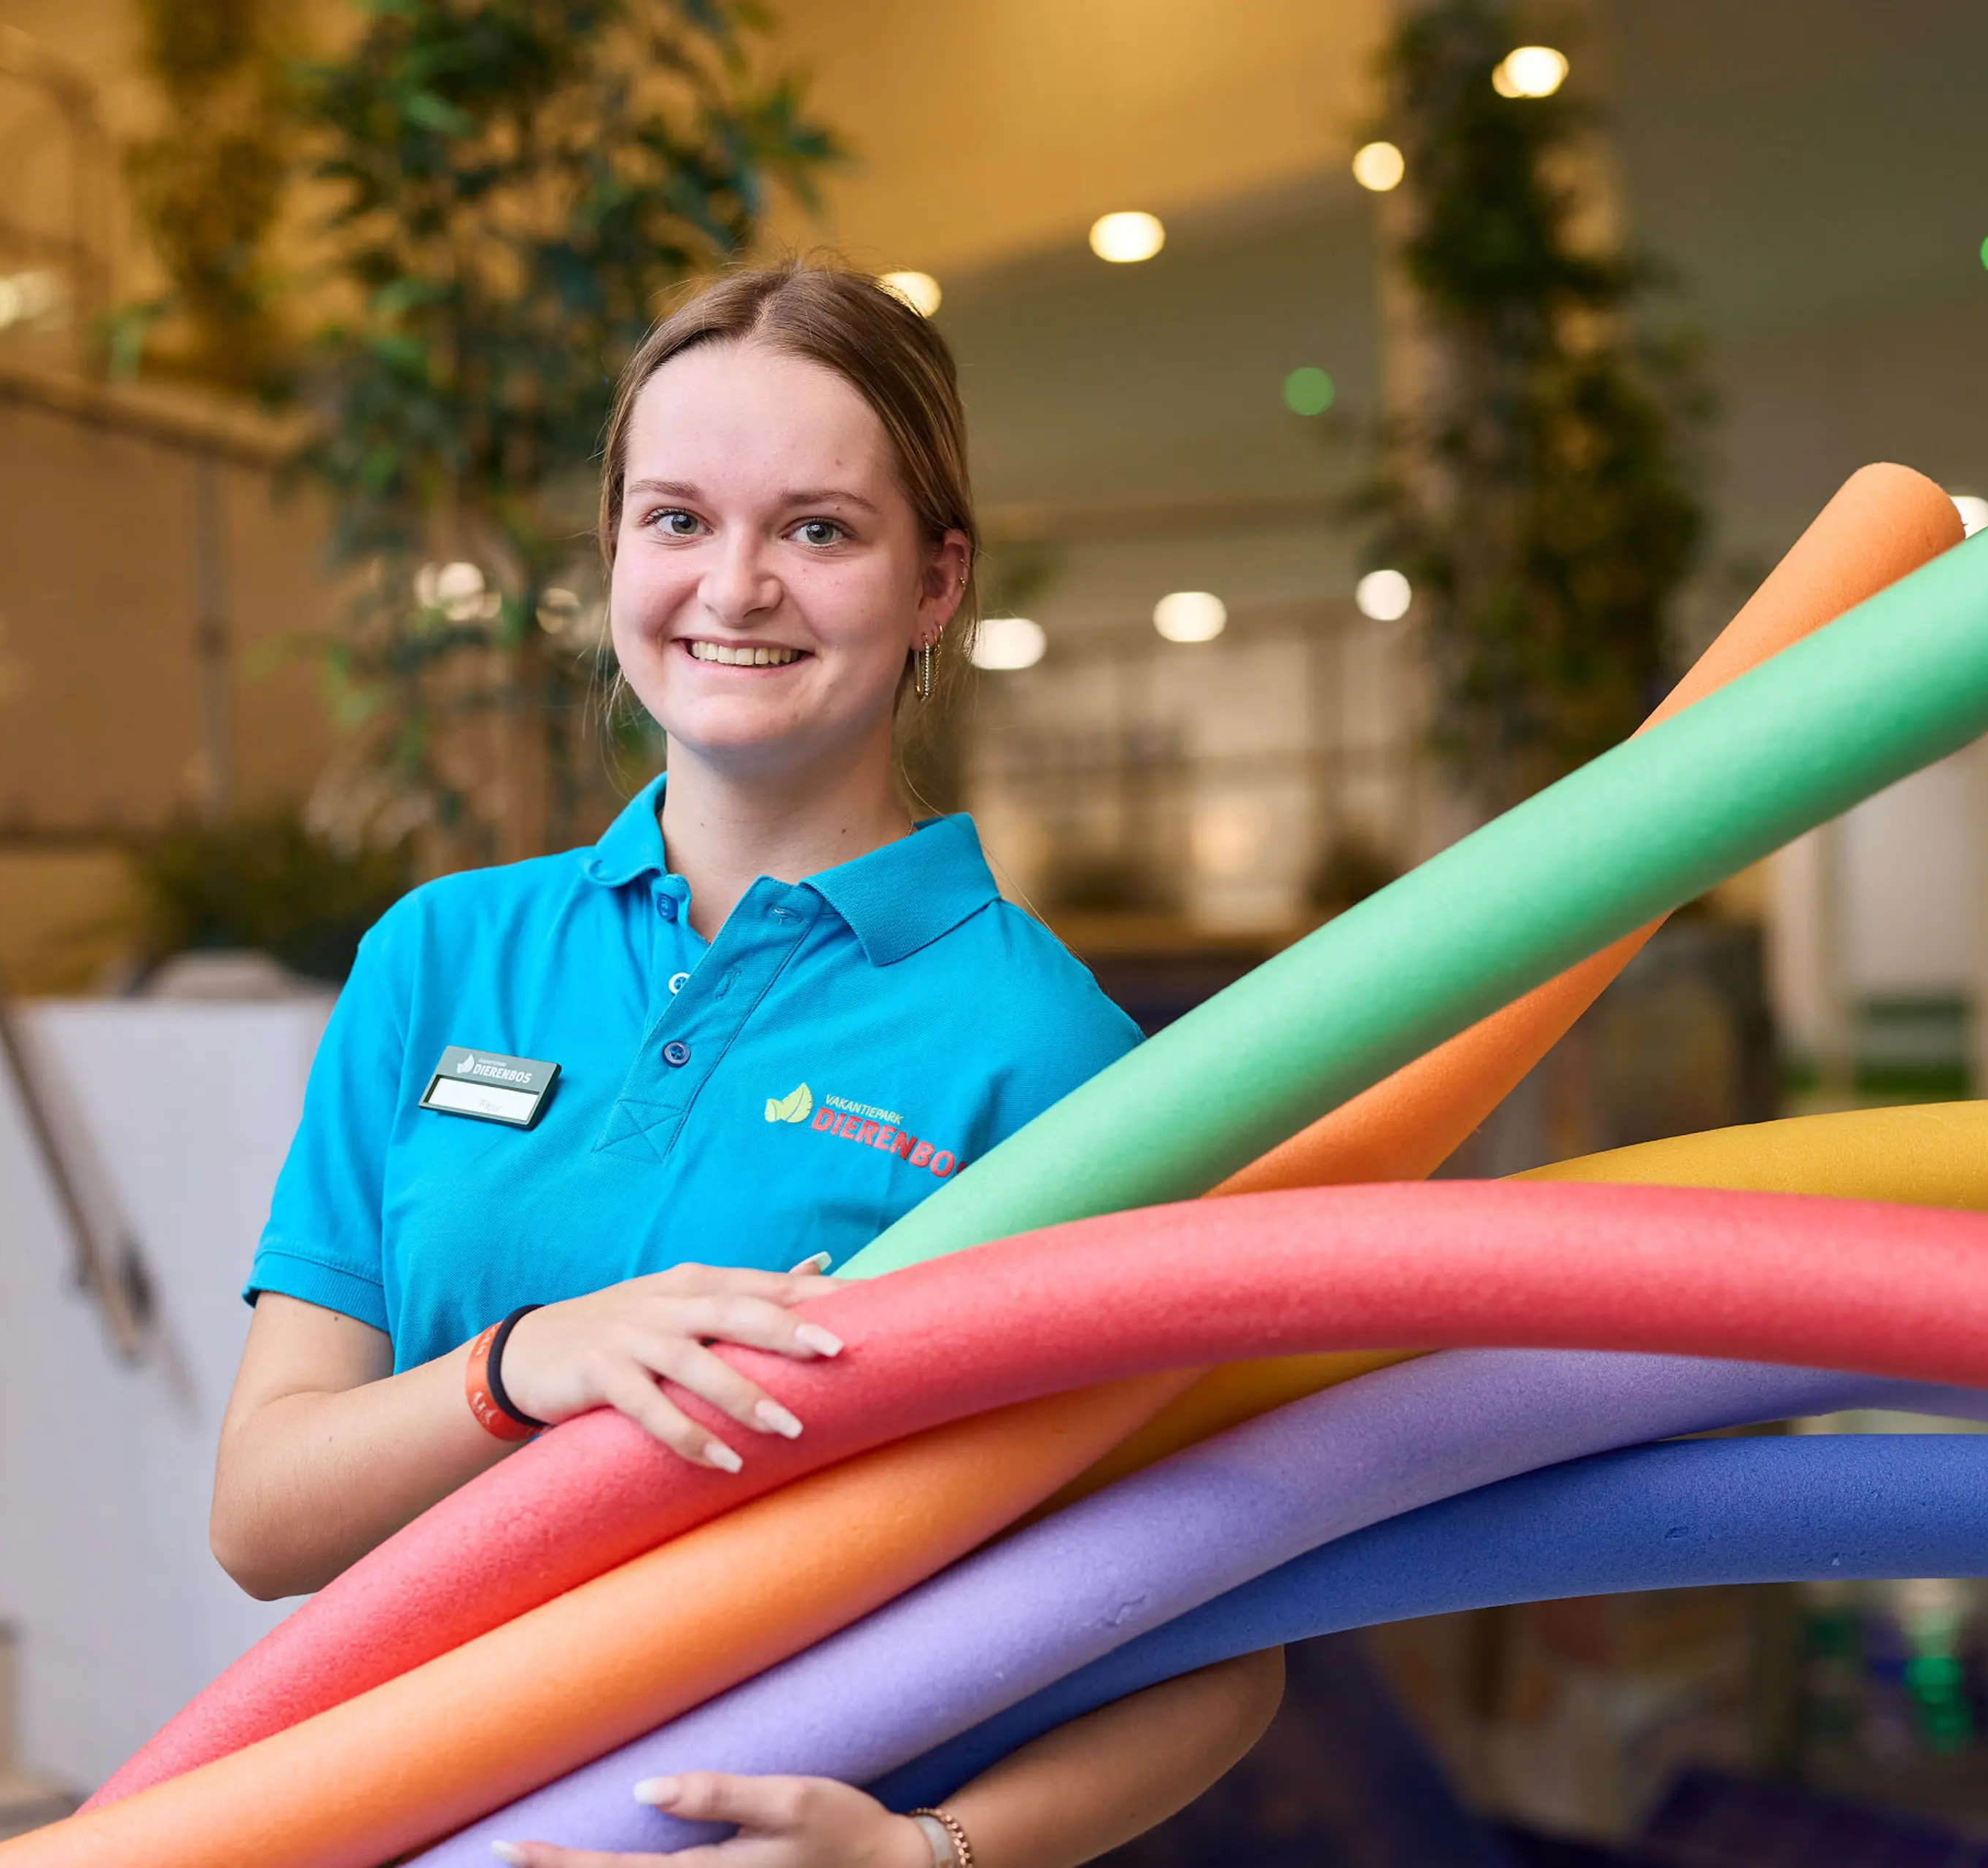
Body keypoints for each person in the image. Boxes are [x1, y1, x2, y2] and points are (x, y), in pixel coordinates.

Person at [212, 260, 1284, 1868]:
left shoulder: (1046, 1052)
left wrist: (930, 1856)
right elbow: (265, 1518)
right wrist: (522, 1366)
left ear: (938, 583)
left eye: (819, 528)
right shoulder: (441, 958)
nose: (737, 587)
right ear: (617, 556)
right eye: (678, 520)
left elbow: (1220, 1646)